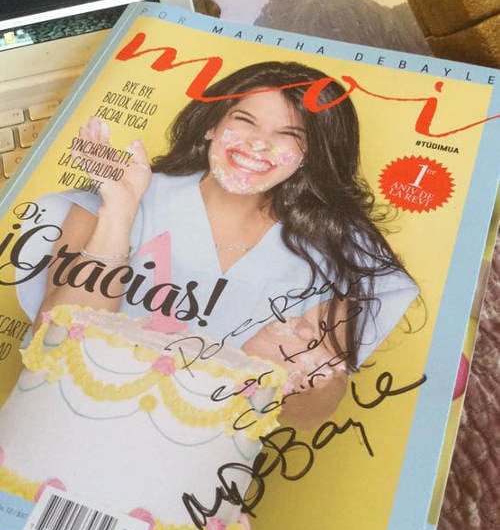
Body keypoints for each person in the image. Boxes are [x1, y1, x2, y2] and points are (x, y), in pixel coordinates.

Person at [25, 60, 419, 429]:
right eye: (244, 121)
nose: (259, 144)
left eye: (289, 136)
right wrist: (118, 213)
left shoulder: (330, 253)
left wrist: (305, 380)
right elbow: (53, 339)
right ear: (212, 125)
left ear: (309, 156)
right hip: (57, 429)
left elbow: (304, 417)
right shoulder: (118, 192)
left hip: (196, 461)